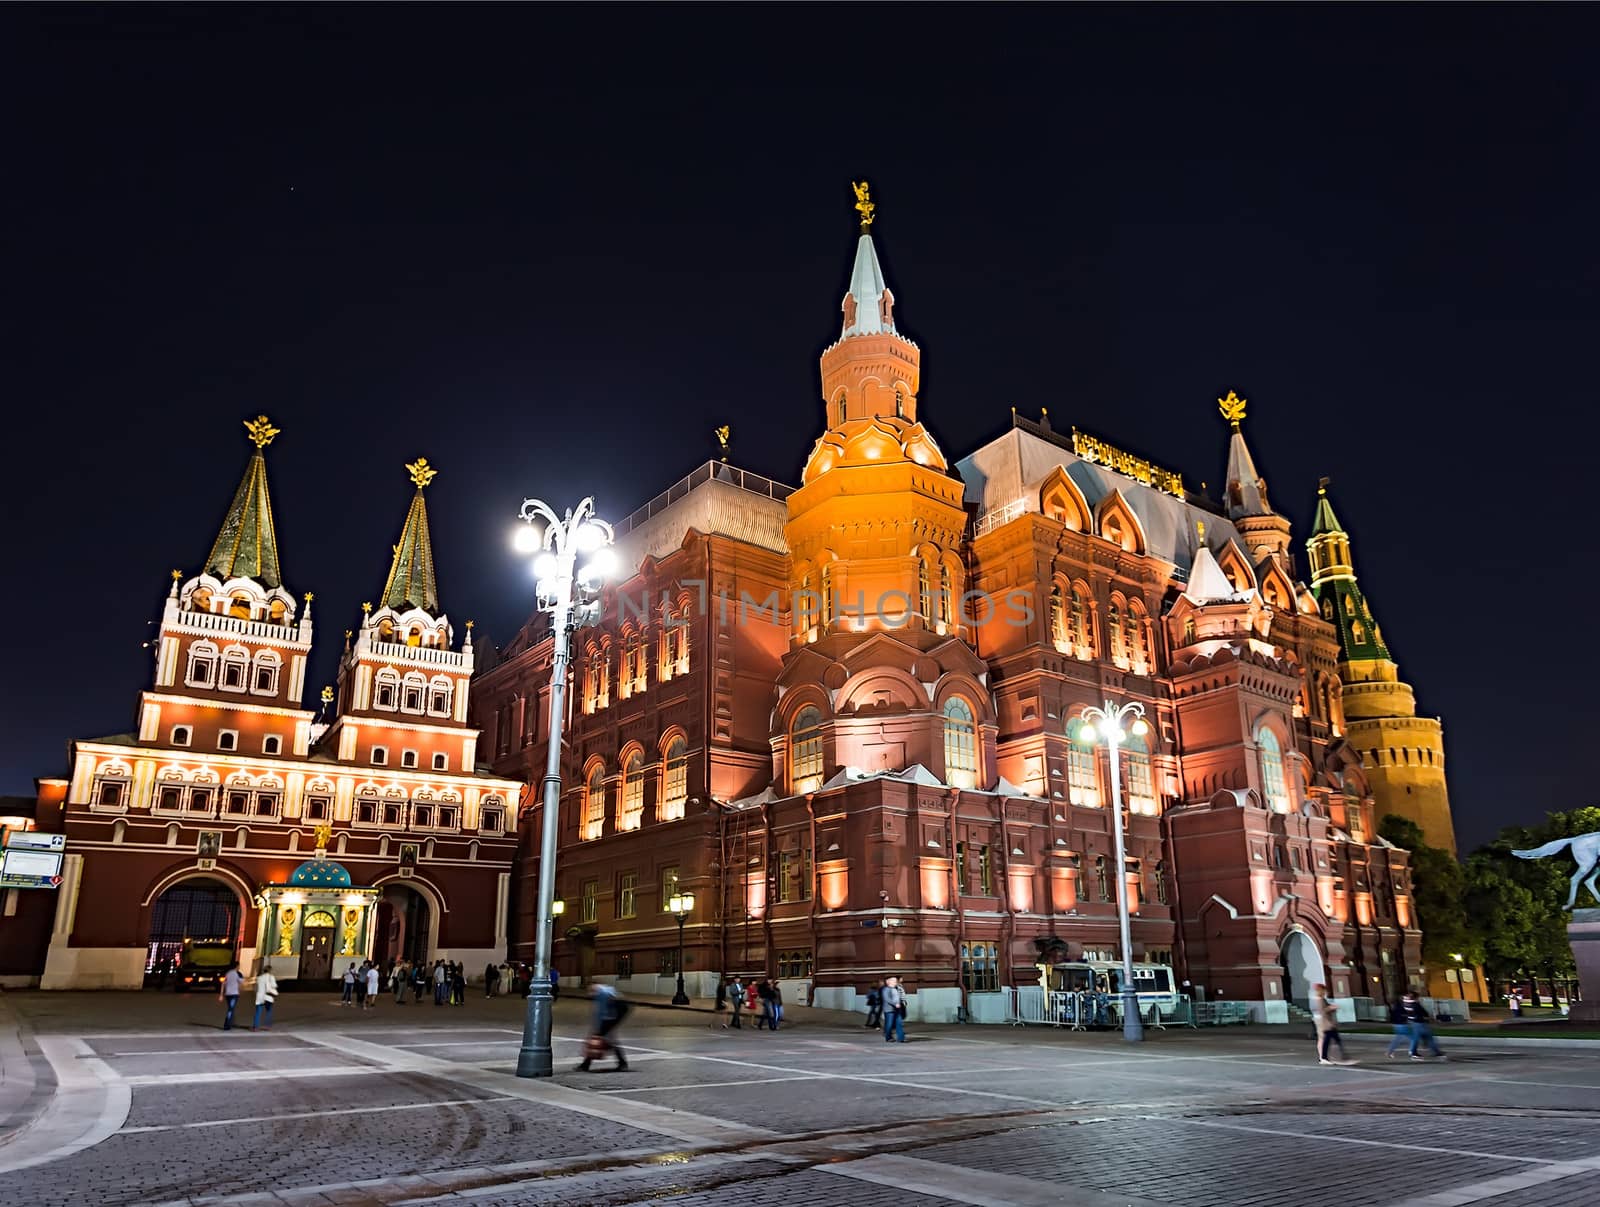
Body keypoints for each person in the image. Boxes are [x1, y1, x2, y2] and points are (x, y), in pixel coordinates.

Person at [576, 984, 630, 1072]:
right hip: (615, 1015)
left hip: (611, 1017)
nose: (591, 997)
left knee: (598, 1039)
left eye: (591, 994)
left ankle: (585, 1065)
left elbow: (601, 1013)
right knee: (606, 1039)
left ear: (594, 991)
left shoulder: (601, 995)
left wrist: (596, 1028)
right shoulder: (605, 990)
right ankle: (622, 1063)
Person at [1391, 992, 1445, 1060]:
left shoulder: (1406, 1004)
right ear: (1416, 998)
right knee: (1423, 1038)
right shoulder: (1416, 1005)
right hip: (1420, 1023)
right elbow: (1424, 1013)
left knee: (1421, 1038)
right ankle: (1414, 1052)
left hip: (1413, 1023)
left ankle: (1434, 1051)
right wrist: (1431, 1019)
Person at [1310, 983, 1352, 1065]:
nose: (1325, 992)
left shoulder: (1320, 999)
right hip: (1324, 1023)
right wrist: (1331, 1008)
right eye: (1324, 990)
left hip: (1325, 1022)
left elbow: (1323, 1009)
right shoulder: (1318, 999)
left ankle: (1329, 1057)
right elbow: (1322, 1011)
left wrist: (1331, 1008)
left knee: (1329, 1039)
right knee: (1326, 1040)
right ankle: (1325, 1057)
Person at [251, 963, 279, 1031]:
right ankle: (267, 1026)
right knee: (269, 1011)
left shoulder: (259, 978)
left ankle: (256, 1027)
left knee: (258, 1012)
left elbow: (255, 988)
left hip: (260, 996)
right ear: (270, 970)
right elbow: (274, 986)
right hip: (268, 997)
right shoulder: (271, 977)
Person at [882, 976, 907, 1043]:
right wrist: (895, 1004)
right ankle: (888, 1037)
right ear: (888, 982)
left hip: (897, 1009)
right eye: (893, 980)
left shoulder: (896, 988)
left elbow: (899, 997)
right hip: (889, 1010)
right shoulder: (886, 989)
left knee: (899, 1023)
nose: (895, 982)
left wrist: (901, 1003)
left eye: (895, 980)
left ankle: (901, 1038)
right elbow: (887, 999)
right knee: (889, 1024)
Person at [219, 963, 242, 1031]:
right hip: (234, 994)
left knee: (230, 1008)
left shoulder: (228, 973)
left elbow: (223, 984)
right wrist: (239, 990)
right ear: (237, 966)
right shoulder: (238, 974)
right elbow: (241, 983)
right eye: (239, 966)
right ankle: (226, 1025)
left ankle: (230, 1023)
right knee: (230, 1009)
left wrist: (221, 994)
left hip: (228, 994)